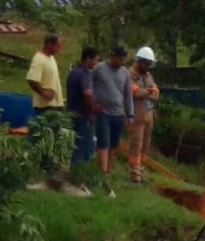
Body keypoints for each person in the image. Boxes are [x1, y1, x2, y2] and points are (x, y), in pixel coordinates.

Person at [91, 46, 134, 180]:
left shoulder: (125, 73)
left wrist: (130, 114)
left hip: (118, 113)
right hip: (103, 112)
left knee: (113, 144)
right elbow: (88, 85)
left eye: (123, 60)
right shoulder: (99, 69)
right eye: (119, 59)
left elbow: (128, 94)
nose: (121, 62)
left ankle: (108, 171)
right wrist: (92, 103)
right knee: (103, 142)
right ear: (112, 57)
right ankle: (102, 172)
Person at [127, 46, 160, 183]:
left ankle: (141, 170)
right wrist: (148, 91)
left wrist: (147, 91)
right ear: (140, 61)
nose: (148, 66)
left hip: (149, 113)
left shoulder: (147, 75)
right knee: (136, 143)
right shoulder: (129, 75)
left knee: (146, 143)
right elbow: (136, 93)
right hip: (137, 114)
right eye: (147, 63)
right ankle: (134, 173)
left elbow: (156, 94)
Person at [67, 46, 100, 166]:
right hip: (84, 116)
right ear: (88, 59)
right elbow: (88, 94)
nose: (96, 63)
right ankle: (80, 172)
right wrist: (93, 109)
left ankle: (74, 168)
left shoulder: (74, 71)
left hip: (72, 113)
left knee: (76, 146)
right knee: (84, 148)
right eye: (95, 60)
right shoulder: (85, 74)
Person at [27, 33, 65, 113]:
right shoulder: (39, 59)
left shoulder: (51, 58)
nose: (58, 50)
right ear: (49, 44)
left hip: (55, 104)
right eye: (57, 46)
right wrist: (43, 93)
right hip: (46, 106)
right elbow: (31, 79)